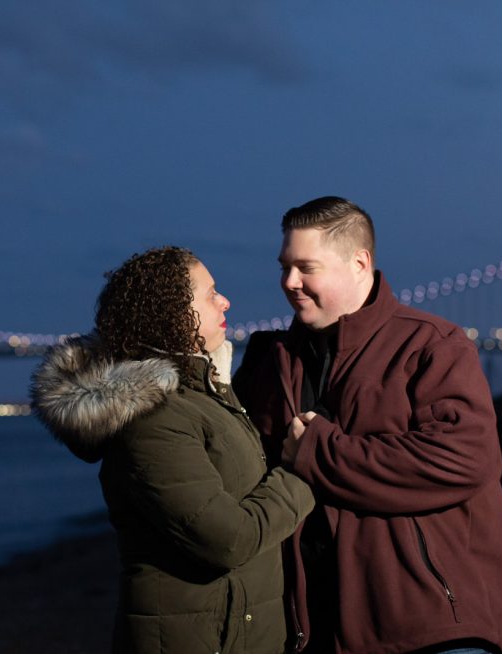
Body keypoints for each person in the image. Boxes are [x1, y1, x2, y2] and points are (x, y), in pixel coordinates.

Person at [233, 197, 502, 654]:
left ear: (360, 263)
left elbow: (465, 459)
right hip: (311, 632)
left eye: (306, 268)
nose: (289, 282)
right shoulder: (270, 360)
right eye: (285, 267)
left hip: (430, 628)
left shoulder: (431, 345)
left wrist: (318, 453)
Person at [31, 246, 314, 654]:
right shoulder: (154, 419)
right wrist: (300, 472)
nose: (225, 301)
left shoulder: (205, 395)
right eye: (210, 293)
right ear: (173, 312)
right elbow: (228, 542)